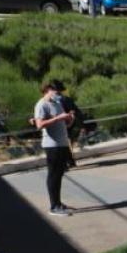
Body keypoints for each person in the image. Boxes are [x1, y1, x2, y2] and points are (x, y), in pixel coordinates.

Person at [34, 82, 75, 216]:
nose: (58, 94)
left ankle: (58, 202)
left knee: (59, 174)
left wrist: (69, 119)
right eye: (55, 91)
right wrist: (58, 118)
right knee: (53, 175)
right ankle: (54, 206)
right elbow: (39, 125)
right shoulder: (41, 105)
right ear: (47, 91)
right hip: (52, 145)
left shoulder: (57, 103)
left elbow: (65, 123)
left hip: (62, 144)